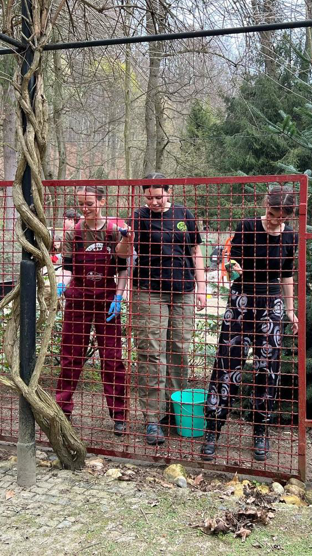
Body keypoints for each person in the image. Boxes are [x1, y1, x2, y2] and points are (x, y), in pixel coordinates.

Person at [200, 187, 299, 462]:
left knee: (267, 369)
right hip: (241, 302)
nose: (275, 220)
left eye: (281, 217)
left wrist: (290, 311)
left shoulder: (290, 236)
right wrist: (233, 267)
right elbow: (231, 258)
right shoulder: (247, 226)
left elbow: (287, 275)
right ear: (266, 205)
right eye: (272, 214)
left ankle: (261, 431)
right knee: (227, 364)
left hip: (272, 306)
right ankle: (213, 429)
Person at [117, 172, 207, 445]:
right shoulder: (138, 217)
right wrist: (127, 238)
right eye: (149, 197)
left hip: (183, 290)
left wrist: (202, 287)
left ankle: (175, 408)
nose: (154, 202)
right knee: (152, 351)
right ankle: (152, 418)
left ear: (169, 192)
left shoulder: (184, 214)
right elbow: (122, 253)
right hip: (149, 290)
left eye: (159, 196)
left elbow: (196, 252)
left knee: (179, 348)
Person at [57, 187, 129, 435]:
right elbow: (67, 269)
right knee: (70, 356)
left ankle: (119, 415)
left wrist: (118, 296)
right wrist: (60, 286)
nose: (84, 209)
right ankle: (62, 410)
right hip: (78, 299)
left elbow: (122, 268)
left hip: (107, 300)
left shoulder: (113, 232)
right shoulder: (73, 233)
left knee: (112, 358)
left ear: (102, 201)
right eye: (81, 204)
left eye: (89, 203)